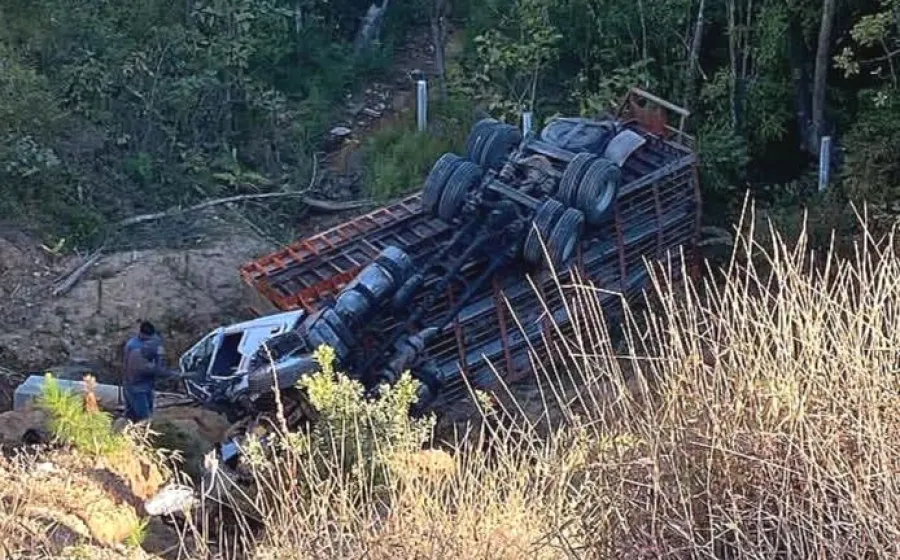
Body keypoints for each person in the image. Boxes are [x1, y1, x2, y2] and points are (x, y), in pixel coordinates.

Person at [122, 321, 173, 422]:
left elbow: (159, 361)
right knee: (143, 417)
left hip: (147, 384)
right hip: (135, 386)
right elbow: (139, 368)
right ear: (141, 333)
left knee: (146, 412)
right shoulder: (133, 346)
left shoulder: (153, 341)